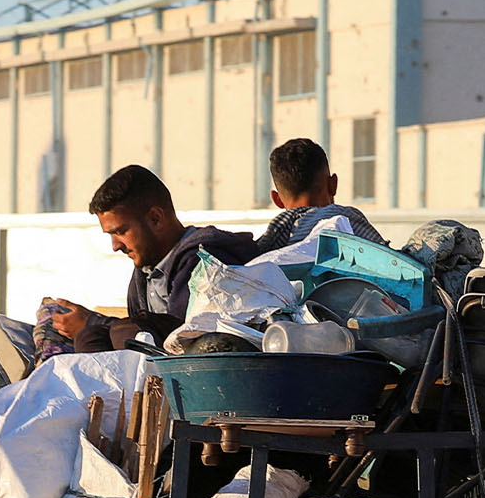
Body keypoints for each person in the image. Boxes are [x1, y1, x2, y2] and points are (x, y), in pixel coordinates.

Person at [50, 164, 259, 351]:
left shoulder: (206, 262)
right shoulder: (144, 274)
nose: (115, 246)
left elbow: (184, 336)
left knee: (112, 335)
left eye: (121, 232)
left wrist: (94, 322)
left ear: (155, 219)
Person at [254, 137, 386, 252]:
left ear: (277, 200)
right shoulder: (343, 220)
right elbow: (389, 262)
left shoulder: (270, 241)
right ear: (333, 184)